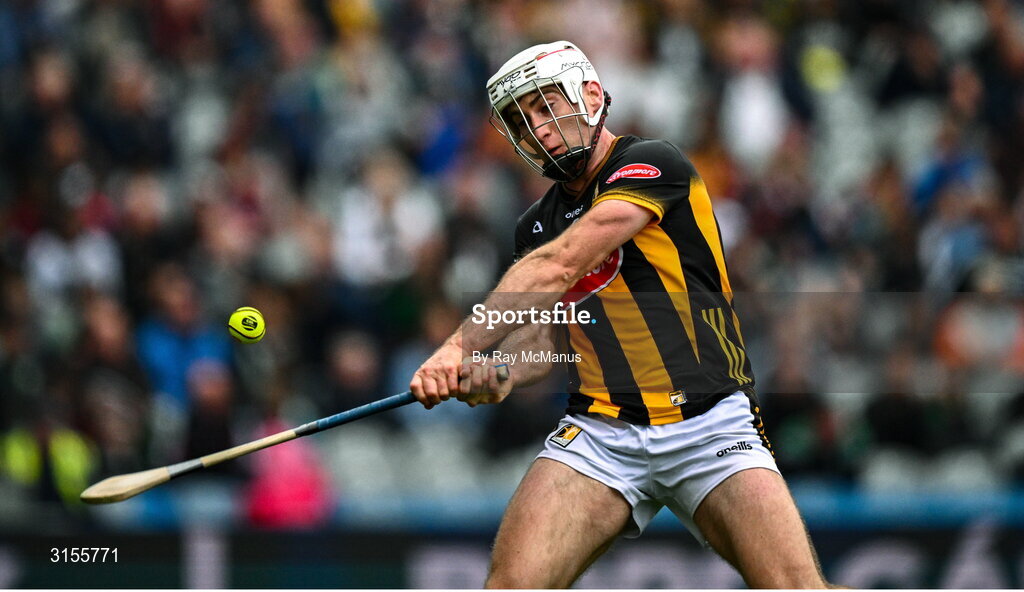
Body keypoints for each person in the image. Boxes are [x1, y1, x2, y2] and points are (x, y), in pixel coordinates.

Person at [410, 40, 834, 588]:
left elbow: (562, 264)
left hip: (707, 424)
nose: (537, 129)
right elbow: (549, 342)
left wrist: (456, 348)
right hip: (600, 433)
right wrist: (496, 374)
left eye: (544, 107)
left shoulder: (653, 164)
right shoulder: (535, 226)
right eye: (521, 121)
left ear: (589, 95)